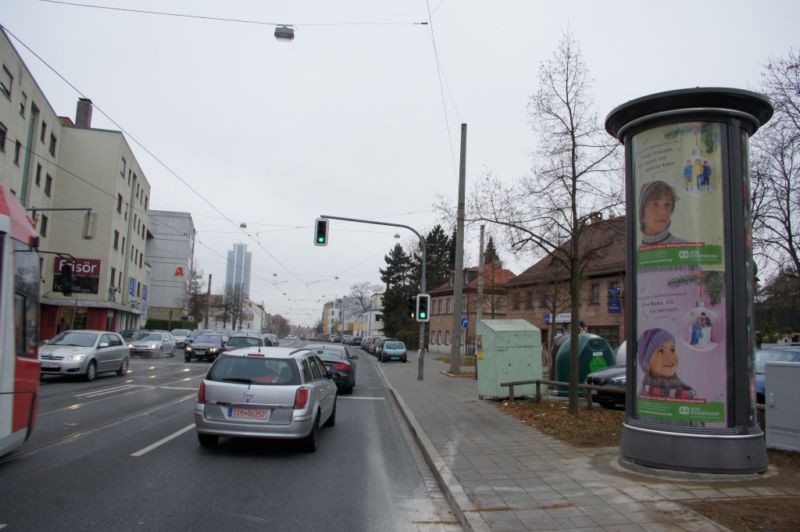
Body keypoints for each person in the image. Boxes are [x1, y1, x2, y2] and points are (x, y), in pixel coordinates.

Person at [638, 328, 695, 399]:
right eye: (661, 351)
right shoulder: (646, 395)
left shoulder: (683, 389)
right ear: (646, 363)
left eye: (672, 350)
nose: (671, 356)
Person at [639, 180, 685, 245]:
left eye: (667, 204)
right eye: (655, 204)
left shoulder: (683, 247)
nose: (664, 211)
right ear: (642, 215)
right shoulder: (635, 251)